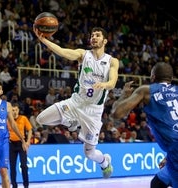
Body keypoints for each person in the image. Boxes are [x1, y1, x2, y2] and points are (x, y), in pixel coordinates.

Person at [33, 26, 119, 178]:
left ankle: (104, 161)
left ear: (105, 40)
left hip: (93, 111)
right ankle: (72, 123)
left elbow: (112, 82)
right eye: (92, 35)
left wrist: (104, 85)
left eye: (97, 35)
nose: (93, 37)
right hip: (76, 102)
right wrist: (44, 40)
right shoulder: (83, 54)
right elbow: (62, 51)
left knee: (89, 153)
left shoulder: (112, 61)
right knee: (41, 119)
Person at [8, 103, 32, 188]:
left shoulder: (23, 118)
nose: (14, 112)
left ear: (18, 110)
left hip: (21, 144)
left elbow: (30, 130)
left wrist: (28, 142)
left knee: (24, 165)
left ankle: (26, 185)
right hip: (11, 144)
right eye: (13, 110)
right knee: (12, 166)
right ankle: (14, 185)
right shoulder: (8, 120)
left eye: (16, 110)